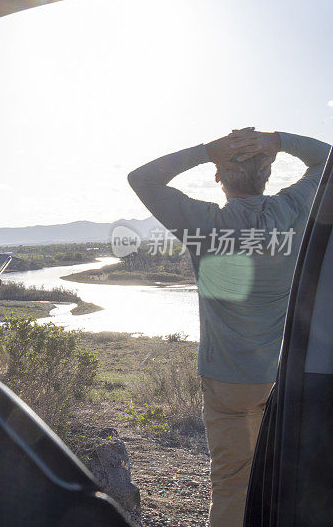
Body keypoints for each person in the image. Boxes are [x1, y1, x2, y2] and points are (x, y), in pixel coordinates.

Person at [128, 128, 330, 527]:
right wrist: (279, 142)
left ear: (217, 178)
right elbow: (326, 159)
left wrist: (206, 151)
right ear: (268, 172)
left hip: (227, 379)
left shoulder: (203, 224)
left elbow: (142, 179)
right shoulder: (290, 210)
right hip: (281, 376)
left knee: (231, 483)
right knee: (283, 483)